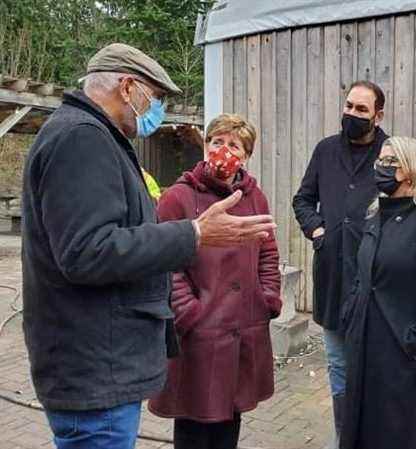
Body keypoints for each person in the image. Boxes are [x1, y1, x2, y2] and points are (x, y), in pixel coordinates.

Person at [21, 43, 275, 449]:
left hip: (100, 367)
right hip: (94, 370)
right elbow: (87, 251)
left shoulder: (94, 136)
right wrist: (193, 235)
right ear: (128, 87)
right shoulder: (81, 139)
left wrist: (264, 299)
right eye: (155, 97)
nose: (156, 108)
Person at [148, 113, 282, 449]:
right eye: (216, 142)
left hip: (243, 330)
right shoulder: (178, 197)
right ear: (205, 146)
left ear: (246, 156)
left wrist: (268, 298)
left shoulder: (255, 197)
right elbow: (164, 262)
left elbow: (268, 252)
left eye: (233, 145)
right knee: (193, 425)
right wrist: (188, 310)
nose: (223, 150)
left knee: (230, 423)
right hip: (198, 335)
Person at [340, 137, 416, 449]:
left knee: (405, 435)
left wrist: (414, 341)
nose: (381, 166)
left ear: (411, 169)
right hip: (365, 348)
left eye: (391, 160)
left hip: (406, 358)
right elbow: (361, 273)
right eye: (380, 159)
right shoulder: (375, 214)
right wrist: (352, 317)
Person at [292, 80, 389, 447]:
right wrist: (317, 230)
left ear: (378, 116)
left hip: (375, 280)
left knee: (375, 370)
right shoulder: (325, 150)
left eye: (361, 110)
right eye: (349, 106)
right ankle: (343, 440)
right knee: (338, 367)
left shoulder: (391, 153)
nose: (351, 114)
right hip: (332, 275)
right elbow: (303, 199)